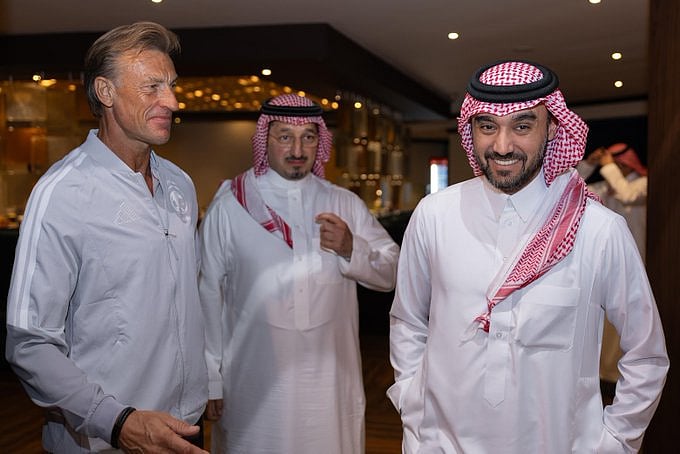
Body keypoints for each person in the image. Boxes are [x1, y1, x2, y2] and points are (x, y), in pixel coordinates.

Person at [388, 60, 668, 453]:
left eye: (522, 126)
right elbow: (408, 320)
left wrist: (616, 441)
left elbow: (646, 354)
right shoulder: (434, 215)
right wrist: (411, 402)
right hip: (439, 443)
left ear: (552, 128)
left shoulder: (599, 229)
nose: (502, 146)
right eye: (487, 126)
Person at [5, 22, 208, 453]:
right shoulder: (64, 192)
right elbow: (29, 342)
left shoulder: (180, 185)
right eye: (152, 87)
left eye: (172, 86)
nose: (172, 102)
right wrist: (116, 422)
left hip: (185, 427)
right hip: (106, 437)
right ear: (106, 92)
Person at [198, 93, 400, 453]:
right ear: (265, 140)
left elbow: (393, 271)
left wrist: (351, 247)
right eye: (284, 136)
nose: (297, 149)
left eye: (308, 137)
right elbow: (206, 295)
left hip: (331, 387)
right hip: (252, 385)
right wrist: (211, 377)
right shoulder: (230, 207)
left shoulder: (344, 203)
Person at [578, 142, 649, 391]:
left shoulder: (644, 184)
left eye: (618, 162)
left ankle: (624, 380)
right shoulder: (602, 187)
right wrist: (589, 165)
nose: (613, 165)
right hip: (601, 265)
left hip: (637, 264)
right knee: (602, 324)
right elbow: (570, 190)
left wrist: (608, 168)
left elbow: (627, 195)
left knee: (628, 325)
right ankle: (603, 377)